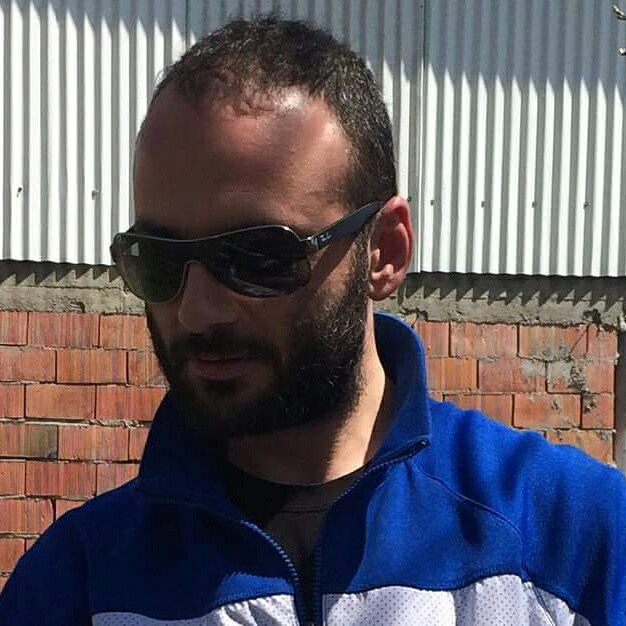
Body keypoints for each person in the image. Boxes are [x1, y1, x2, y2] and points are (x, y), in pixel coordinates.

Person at [1, 15, 625, 626]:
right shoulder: (76, 586)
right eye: (160, 260)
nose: (197, 310)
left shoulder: (574, 543)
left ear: (384, 251)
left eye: (259, 257)